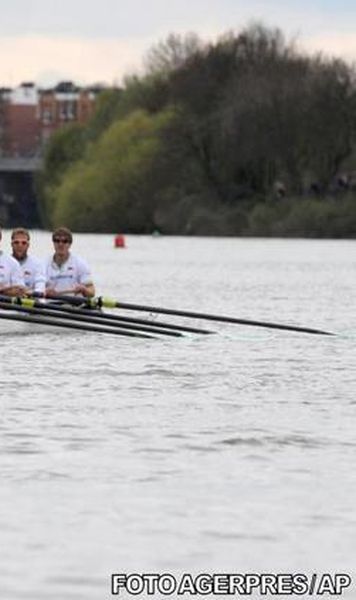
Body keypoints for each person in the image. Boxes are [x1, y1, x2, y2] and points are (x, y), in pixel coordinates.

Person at [45, 227, 95, 298]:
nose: (60, 244)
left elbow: (92, 292)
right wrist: (44, 291)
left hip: (74, 304)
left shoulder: (80, 263)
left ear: (70, 244)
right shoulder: (44, 264)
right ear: (53, 243)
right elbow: (37, 289)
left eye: (65, 241)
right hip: (51, 304)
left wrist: (84, 290)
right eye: (57, 241)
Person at [11, 227, 46, 296]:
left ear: (28, 245)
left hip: (30, 300)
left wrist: (35, 292)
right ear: (11, 244)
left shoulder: (37, 264)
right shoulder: (4, 262)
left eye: (23, 243)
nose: (20, 245)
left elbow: (40, 284)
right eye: (16, 242)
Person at [0, 225, 27, 297]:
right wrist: (6, 289)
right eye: (16, 242)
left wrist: (2, 290)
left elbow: (20, 290)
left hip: (4, 306)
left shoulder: (12, 263)